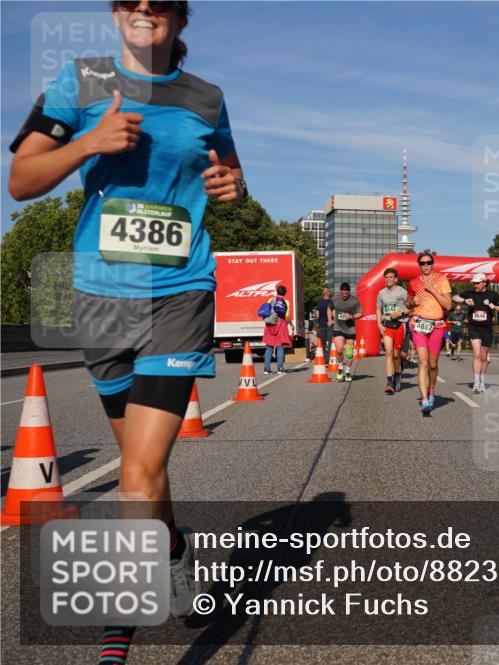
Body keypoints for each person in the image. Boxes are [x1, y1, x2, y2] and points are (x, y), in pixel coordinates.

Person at [8, 1, 245, 660]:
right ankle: (169, 545)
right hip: (102, 298)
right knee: (151, 476)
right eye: (132, 3)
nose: (146, 12)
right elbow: (21, 180)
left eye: (159, 3)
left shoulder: (206, 97)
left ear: (179, 18)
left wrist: (234, 186)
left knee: (137, 475)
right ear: (116, 15)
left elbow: (231, 175)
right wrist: (88, 142)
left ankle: (120, 626)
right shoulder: (78, 81)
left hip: (181, 291)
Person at [406, 250, 452, 413]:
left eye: (428, 263)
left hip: (437, 326)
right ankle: (424, 399)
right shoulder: (413, 282)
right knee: (423, 363)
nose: (426, 266)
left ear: (433, 264)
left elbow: (448, 305)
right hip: (418, 324)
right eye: (422, 263)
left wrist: (432, 290)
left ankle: (431, 390)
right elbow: (408, 303)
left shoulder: (441, 280)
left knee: (433, 365)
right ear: (419, 265)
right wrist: (412, 302)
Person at [455, 273, 499, 393]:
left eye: (477, 283)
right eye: (474, 283)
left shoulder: (492, 295)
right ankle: (476, 382)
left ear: (484, 283)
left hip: (487, 328)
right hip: (474, 327)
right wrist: (464, 300)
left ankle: (482, 379)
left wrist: (495, 307)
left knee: (484, 356)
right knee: (476, 354)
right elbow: (454, 297)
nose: (475, 285)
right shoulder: (470, 293)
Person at [376, 267, 410, 394]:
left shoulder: (402, 292)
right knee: (389, 353)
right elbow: (379, 310)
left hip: (401, 325)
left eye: (391, 277)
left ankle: (397, 375)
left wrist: (400, 312)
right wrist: (379, 324)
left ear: (396, 279)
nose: (388, 279)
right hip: (387, 325)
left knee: (397, 355)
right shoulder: (381, 293)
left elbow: (410, 308)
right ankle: (389, 382)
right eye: (386, 277)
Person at [331, 282, 362, 382]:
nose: (344, 295)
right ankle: (340, 368)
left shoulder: (354, 300)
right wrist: (329, 319)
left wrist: (351, 316)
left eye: (346, 293)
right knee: (339, 350)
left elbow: (361, 313)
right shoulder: (335, 299)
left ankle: (348, 371)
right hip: (338, 328)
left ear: (349, 292)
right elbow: (329, 308)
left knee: (349, 353)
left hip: (350, 329)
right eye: (342, 293)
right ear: (340, 292)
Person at [262, 285, 291, 374]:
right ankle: (280, 368)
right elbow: (286, 316)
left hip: (270, 325)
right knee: (280, 346)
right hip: (281, 324)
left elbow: (267, 312)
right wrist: (291, 325)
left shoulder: (271, 300)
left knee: (269, 346)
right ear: (285, 293)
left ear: (277, 292)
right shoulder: (286, 302)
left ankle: (266, 369)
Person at [312, 287, 334, 361]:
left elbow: (316, 316)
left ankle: (324, 359)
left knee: (323, 344)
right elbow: (333, 315)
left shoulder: (319, 304)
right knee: (330, 343)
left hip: (321, 326)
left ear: (323, 294)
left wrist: (316, 325)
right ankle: (330, 359)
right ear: (329, 294)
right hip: (330, 325)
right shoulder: (331, 303)